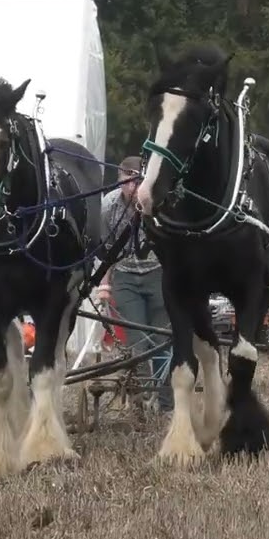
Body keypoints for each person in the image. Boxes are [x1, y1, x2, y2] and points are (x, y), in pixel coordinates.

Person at [101, 155, 172, 412]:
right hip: (125, 277)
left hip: (157, 273)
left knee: (163, 340)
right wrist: (105, 284)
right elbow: (106, 249)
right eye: (127, 180)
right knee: (136, 343)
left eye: (138, 179)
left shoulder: (159, 202)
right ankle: (140, 403)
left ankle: (166, 405)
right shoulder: (108, 206)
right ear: (119, 181)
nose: (132, 185)